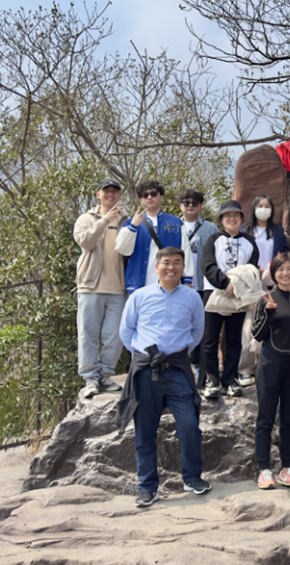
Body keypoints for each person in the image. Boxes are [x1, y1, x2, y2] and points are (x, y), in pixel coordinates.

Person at [116, 247, 209, 508]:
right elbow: (127, 332)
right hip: (146, 370)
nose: (171, 267)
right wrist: (143, 354)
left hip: (178, 369)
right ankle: (147, 487)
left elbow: (196, 333)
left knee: (189, 425)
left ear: (183, 267)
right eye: (166, 263)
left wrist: (177, 354)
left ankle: (192, 478)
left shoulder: (192, 298)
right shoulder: (140, 296)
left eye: (177, 263)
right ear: (156, 267)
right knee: (145, 430)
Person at [252, 252, 290, 489]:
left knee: (289, 419)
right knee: (266, 417)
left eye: (289, 269)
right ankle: (264, 469)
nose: (285, 273)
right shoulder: (265, 298)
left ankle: (287, 469)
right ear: (273, 273)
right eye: (280, 269)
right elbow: (257, 335)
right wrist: (268, 313)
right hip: (270, 362)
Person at [199, 200, 260, 399]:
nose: (231, 218)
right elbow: (207, 264)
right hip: (215, 293)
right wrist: (224, 282)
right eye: (227, 216)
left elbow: (251, 269)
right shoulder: (213, 240)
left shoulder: (249, 242)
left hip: (238, 296)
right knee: (210, 339)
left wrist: (237, 286)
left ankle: (229, 380)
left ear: (241, 218)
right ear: (221, 220)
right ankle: (212, 380)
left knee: (233, 339)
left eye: (236, 215)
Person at [73, 177, 127, 399]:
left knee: (115, 336)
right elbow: (85, 242)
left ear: (119, 195)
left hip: (118, 288)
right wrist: (105, 220)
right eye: (106, 191)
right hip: (90, 286)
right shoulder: (86, 219)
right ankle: (90, 378)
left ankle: (105, 374)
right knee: (88, 334)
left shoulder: (127, 220)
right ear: (98, 194)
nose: (110, 194)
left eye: (115, 191)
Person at [237, 195, 290, 389]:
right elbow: (240, 254)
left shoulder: (277, 231)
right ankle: (245, 368)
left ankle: (264, 364)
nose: (263, 209)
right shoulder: (245, 230)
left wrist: (272, 268)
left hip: (273, 280)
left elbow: (284, 254)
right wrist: (257, 269)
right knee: (249, 324)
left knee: (273, 320)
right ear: (253, 208)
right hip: (251, 281)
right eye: (259, 206)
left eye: (267, 206)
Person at [115, 180, 194, 293]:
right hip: (138, 286)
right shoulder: (130, 223)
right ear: (141, 200)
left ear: (161, 197)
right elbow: (122, 249)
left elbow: (185, 250)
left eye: (153, 194)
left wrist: (187, 280)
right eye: (145, 195)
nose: (149, 197)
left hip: (169, 285)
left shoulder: (176, 222)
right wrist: (133, 227)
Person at [179, 189, 220, 382]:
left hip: (204, 285)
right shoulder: (173, 227)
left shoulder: (210, 229)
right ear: (181, 205)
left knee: (201, 329)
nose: (190, 205)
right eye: (186, 202)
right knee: (180, 326)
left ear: (201, 205)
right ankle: (179, 367)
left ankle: (199, 368)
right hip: (179, 286)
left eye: (195, 202)